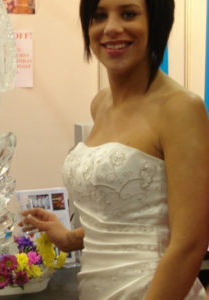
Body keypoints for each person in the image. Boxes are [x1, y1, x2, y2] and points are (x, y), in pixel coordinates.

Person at [21, 0, 209, 299]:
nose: (111, 28)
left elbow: (190, 242)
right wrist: (70, 238)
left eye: (129, 14)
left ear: (156, 23)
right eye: (98, 16)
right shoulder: (100, 104)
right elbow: (127, 221)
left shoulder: (180, 108)